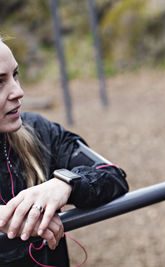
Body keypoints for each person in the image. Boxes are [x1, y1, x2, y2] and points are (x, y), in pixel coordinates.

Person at [0, 38, 129, 266]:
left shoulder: (39, 131)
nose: (18, 91)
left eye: (16, 74)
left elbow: (112, 175)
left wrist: (65, 184)